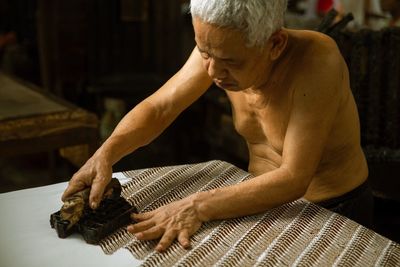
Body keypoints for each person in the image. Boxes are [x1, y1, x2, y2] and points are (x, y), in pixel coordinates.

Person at [62, 0, 373, 252]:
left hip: (329, 207)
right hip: (257, 197)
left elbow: (294, 178)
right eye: (204, 53)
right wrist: (106, 154)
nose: (211, 70)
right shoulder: (219, 46)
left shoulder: (318, 60)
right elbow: (161, 106)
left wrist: (197, 205)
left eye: (230, 62)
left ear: (275, 44)